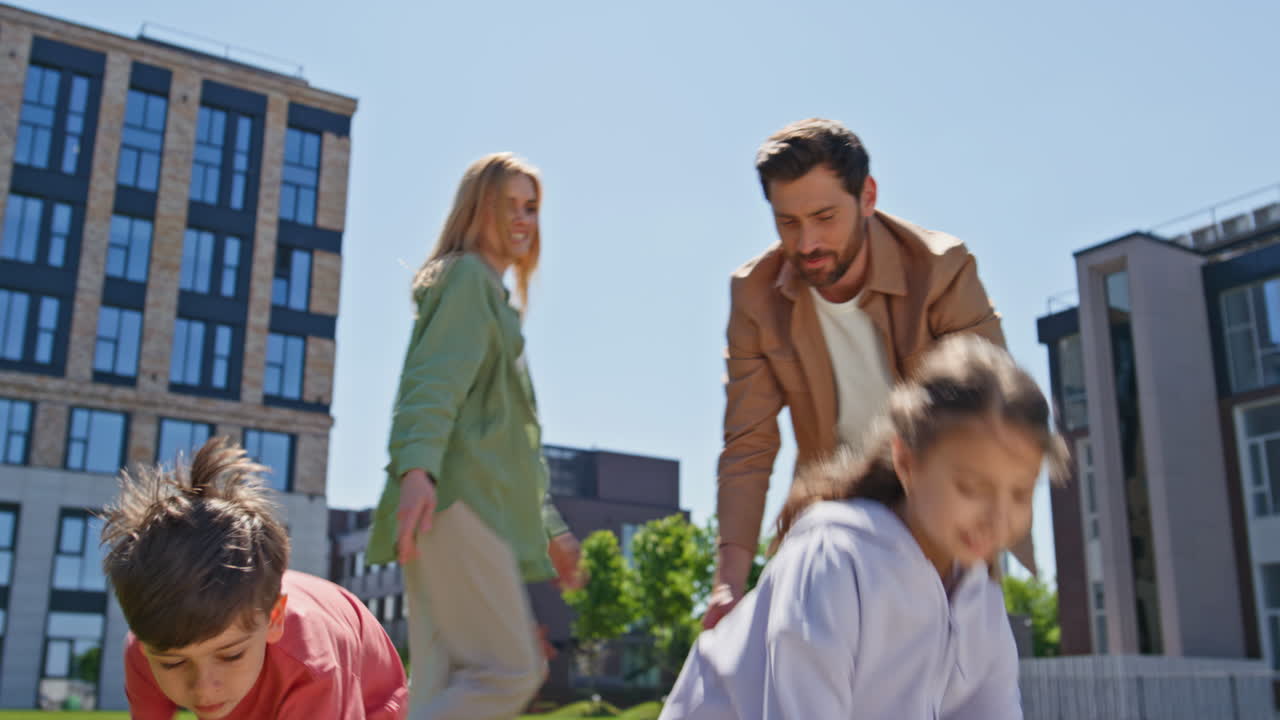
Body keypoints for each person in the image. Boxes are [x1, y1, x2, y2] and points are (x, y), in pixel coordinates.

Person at [706, 117, 1029, 629]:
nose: (807, 242)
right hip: (832, 524)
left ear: (868, 197)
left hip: (942, 520)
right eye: (787, 222)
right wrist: (729, 583)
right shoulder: (755, 295)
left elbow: (989, 416)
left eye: (824, 216)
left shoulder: (942, 270)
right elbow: (748, 444)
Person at [662, 336, 1068, 719]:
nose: (997, 517)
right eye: (971, 487)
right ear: (907, 462)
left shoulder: (978, 596)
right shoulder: (833, 559)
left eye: (1019, 494)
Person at [365, 152, 583, 719]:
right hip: (456, 502)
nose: (522, 218)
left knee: (442, 681)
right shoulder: (466, 281)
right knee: (510, 671)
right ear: (476, 209)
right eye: (507, 204)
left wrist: (550, 531)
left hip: (454, 504)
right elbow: (432, 384)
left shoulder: (491, 299)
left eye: (531, 207)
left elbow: (510, 448)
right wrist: (417, 472)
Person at [101, 438, 408, 719]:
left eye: (231, 655)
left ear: (274, 618)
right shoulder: (151, 639)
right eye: (173, 663)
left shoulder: (313, 665)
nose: (203, 688)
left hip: (369, 703)